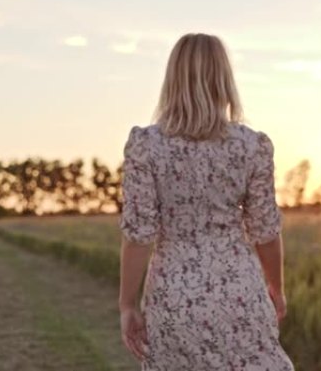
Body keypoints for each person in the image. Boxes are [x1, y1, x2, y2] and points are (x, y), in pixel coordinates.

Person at [117, 33, 295, 370]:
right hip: (241, 293)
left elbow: (139, 235)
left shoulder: (146, 145)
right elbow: (265, 230)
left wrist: (127, 305)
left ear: (173, 79)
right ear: (224, 79)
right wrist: (276, 287)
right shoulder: (251, 146)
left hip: (174, 296)